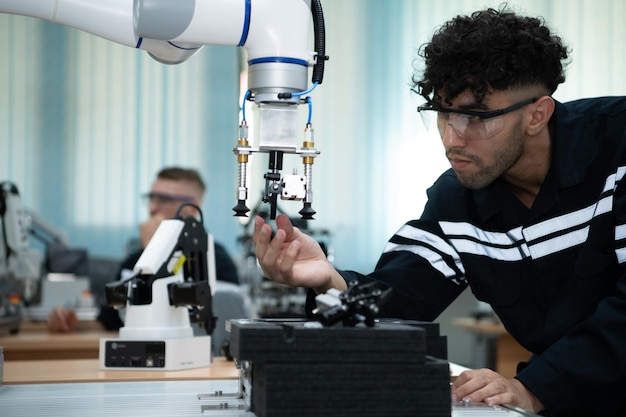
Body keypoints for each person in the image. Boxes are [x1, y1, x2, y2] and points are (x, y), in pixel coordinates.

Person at [252, 7, 626, 417]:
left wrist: (534, 388)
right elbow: (399, 298)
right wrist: (329, 279)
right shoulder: (459, 197)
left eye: (475, 117)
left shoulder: (618, 145)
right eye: (444, 113)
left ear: (538, 114)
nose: (452, 138)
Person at [48, 166, 240, 332]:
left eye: (164, 200)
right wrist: (70, 323)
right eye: (151, 199)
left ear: (192, 207)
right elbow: (109, 322)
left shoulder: (215, 260)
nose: (153, 208)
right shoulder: (134, 260)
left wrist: (154, 251)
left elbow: (201, 323)